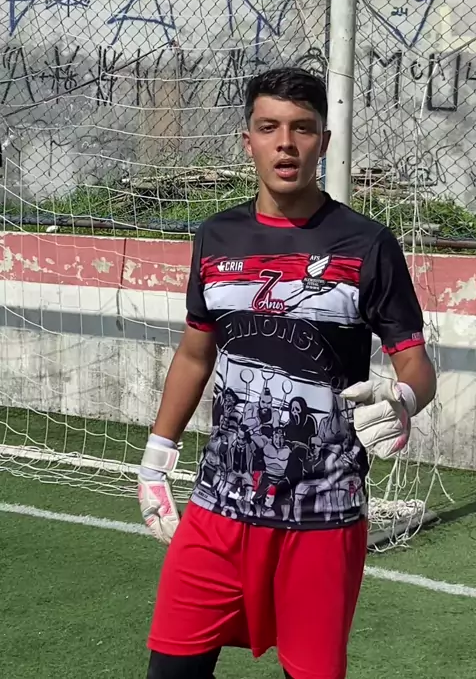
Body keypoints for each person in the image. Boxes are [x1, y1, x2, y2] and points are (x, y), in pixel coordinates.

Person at [138, 66, 436, 679]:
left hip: (322, 514)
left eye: (302, 128)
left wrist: (403, 398)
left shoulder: (367, 243)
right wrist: (155, 457)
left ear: (323, 141)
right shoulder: (216, 236)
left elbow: (415, 361)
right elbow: (195, 354)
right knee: (170, 669)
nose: (286, 144)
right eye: (269, 127)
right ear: (247, 140)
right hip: (219, 507)